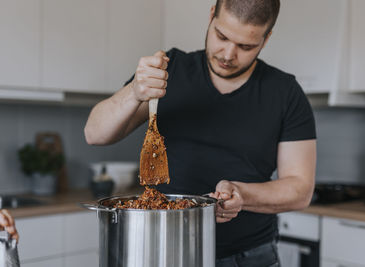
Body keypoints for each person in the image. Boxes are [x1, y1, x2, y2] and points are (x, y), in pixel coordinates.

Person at [84, 0, 316, 266]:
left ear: (267, 38)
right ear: (211, 16)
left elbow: (300, 189)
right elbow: (95, 133)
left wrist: (241, 194)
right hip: (164, 250)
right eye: (222, 36)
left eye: (246, 46)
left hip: (250, 257)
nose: (228, 54)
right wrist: (134, 91)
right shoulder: (170, 71)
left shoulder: (285, 93)